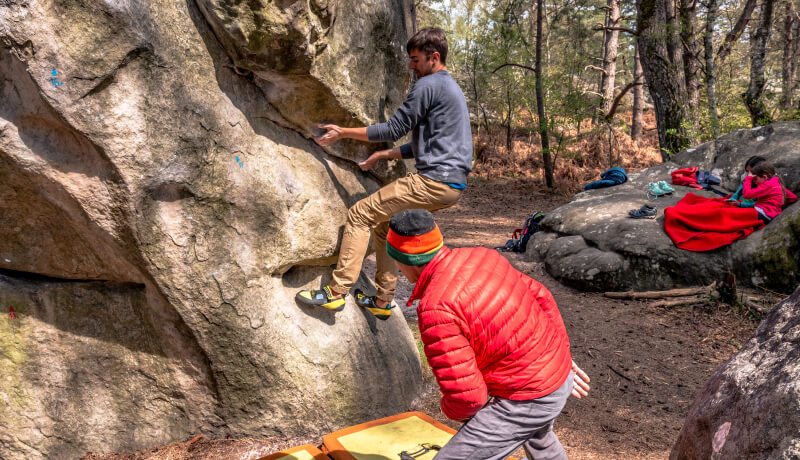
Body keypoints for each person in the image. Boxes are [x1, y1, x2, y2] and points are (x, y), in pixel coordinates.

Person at [295, 27, 473, 319]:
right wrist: (386, 153)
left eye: (415, 59)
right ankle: (382, 301)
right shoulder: (450, 89)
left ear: (434, 57)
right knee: (383, 226)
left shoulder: (427, 85)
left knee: (359, 214)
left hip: (432, 181)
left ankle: (335, 293)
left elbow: (393, 129)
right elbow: (432, 145)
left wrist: (342, 133)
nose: (410, 66)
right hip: (451, 185)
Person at [385, 209, 590, 460]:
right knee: (540, 439)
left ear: (403, 260)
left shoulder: (435, 307)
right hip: (554, 378)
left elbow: (469, 400)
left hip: (528, 396)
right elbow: (543, 297)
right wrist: (562, 358)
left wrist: (447, 408)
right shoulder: (483, 255)